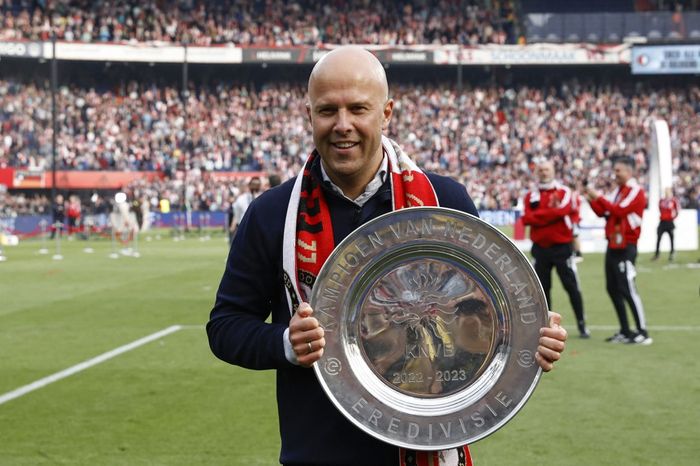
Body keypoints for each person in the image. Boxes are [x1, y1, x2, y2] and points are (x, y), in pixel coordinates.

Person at [207, 46, 567, 466]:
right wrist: (285, 342)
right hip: (318, 453)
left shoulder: (445, 202)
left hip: (429, 446)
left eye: (358, 109)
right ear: (309, 116)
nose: (343, 125)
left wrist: (532, 339)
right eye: (328, 111)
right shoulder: (273, 214)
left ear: (387, 112)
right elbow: (225, 326)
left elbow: (490, 317)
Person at [585, 156, 651, 345]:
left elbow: (618, 211)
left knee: (628, 289)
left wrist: (597, 196)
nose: (615, 175)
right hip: (614, 244)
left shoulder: (635, 190)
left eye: (618, 171)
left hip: (626, 246)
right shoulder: (620, 191)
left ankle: (642, 331)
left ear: (629, 171)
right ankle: (625, 330)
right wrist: (589, 198)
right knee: (613, 288)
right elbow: (604, 212)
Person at [522, 160, 589, 338]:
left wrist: (539, 217)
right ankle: (546, 327)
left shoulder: (564, 192)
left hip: (562, 248)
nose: (544, 172)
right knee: (542, 291)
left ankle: (582, 324)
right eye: (541, 170)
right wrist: (551, 215)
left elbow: (563, 210)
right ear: (537, 173)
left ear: (553, 171)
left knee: (572, 286)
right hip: (540, 249)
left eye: (547, 169)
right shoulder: (531, 195)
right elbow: (526, 219)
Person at [653, 187, 680, 262]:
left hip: (669, 222)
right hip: (662, 222)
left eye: (668, 192)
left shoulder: (673, 201)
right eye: (666, 192)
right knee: (658, 238)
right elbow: (660, 209)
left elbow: (677, 210)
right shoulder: (661, 201)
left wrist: (672, 217)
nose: (666, 193)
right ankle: (657, 254)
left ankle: (672, 253)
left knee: (671, 239)